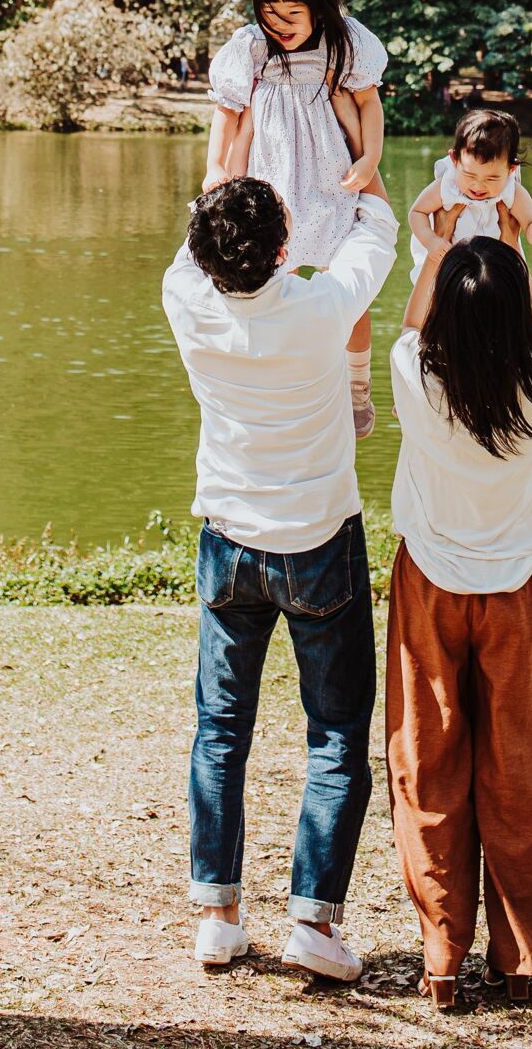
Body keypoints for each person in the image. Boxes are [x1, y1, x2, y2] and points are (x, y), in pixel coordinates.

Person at [162, 173, 399, 982]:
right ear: (284, 250)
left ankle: (218, 918)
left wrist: (217, 183)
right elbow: (379, 236)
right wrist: (360, 182)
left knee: (220, 731)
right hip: (318, 545)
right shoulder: (320, 307)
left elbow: (193, 246)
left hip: (228, 542)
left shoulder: (185, 301)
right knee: (334, 735)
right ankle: (313, 924)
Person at [385, 204, 532, 1010]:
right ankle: (522, 956)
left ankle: (441, 957)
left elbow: (412, 320)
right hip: (516, 589)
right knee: (521, 768)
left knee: (427, 766)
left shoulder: (419, 380)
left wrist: (434, 253)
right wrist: (508, 253)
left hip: (429, 583)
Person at [203, 0, 388, 438]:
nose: (280, 25)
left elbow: (369, 105)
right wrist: (214, 172)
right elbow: (227, 114)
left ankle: (357, 386)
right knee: (264, 288)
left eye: (292, 13)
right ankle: (271, 382)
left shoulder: (344, 41)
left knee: (350, 294)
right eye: (269, 13)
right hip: (272, 182)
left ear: (319, 6)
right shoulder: (251, 48)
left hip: (330, 177)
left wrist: (370, 158)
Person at [408, 108, 532, 284]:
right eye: (470, 176)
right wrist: (431, 241)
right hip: (450, 265)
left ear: (511, 169)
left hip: (494, 269)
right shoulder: (448, 185)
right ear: (454, 159)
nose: (479, 186)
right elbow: (417, 212)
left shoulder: (511, 190)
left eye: (492, 178)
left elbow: (530, 221)